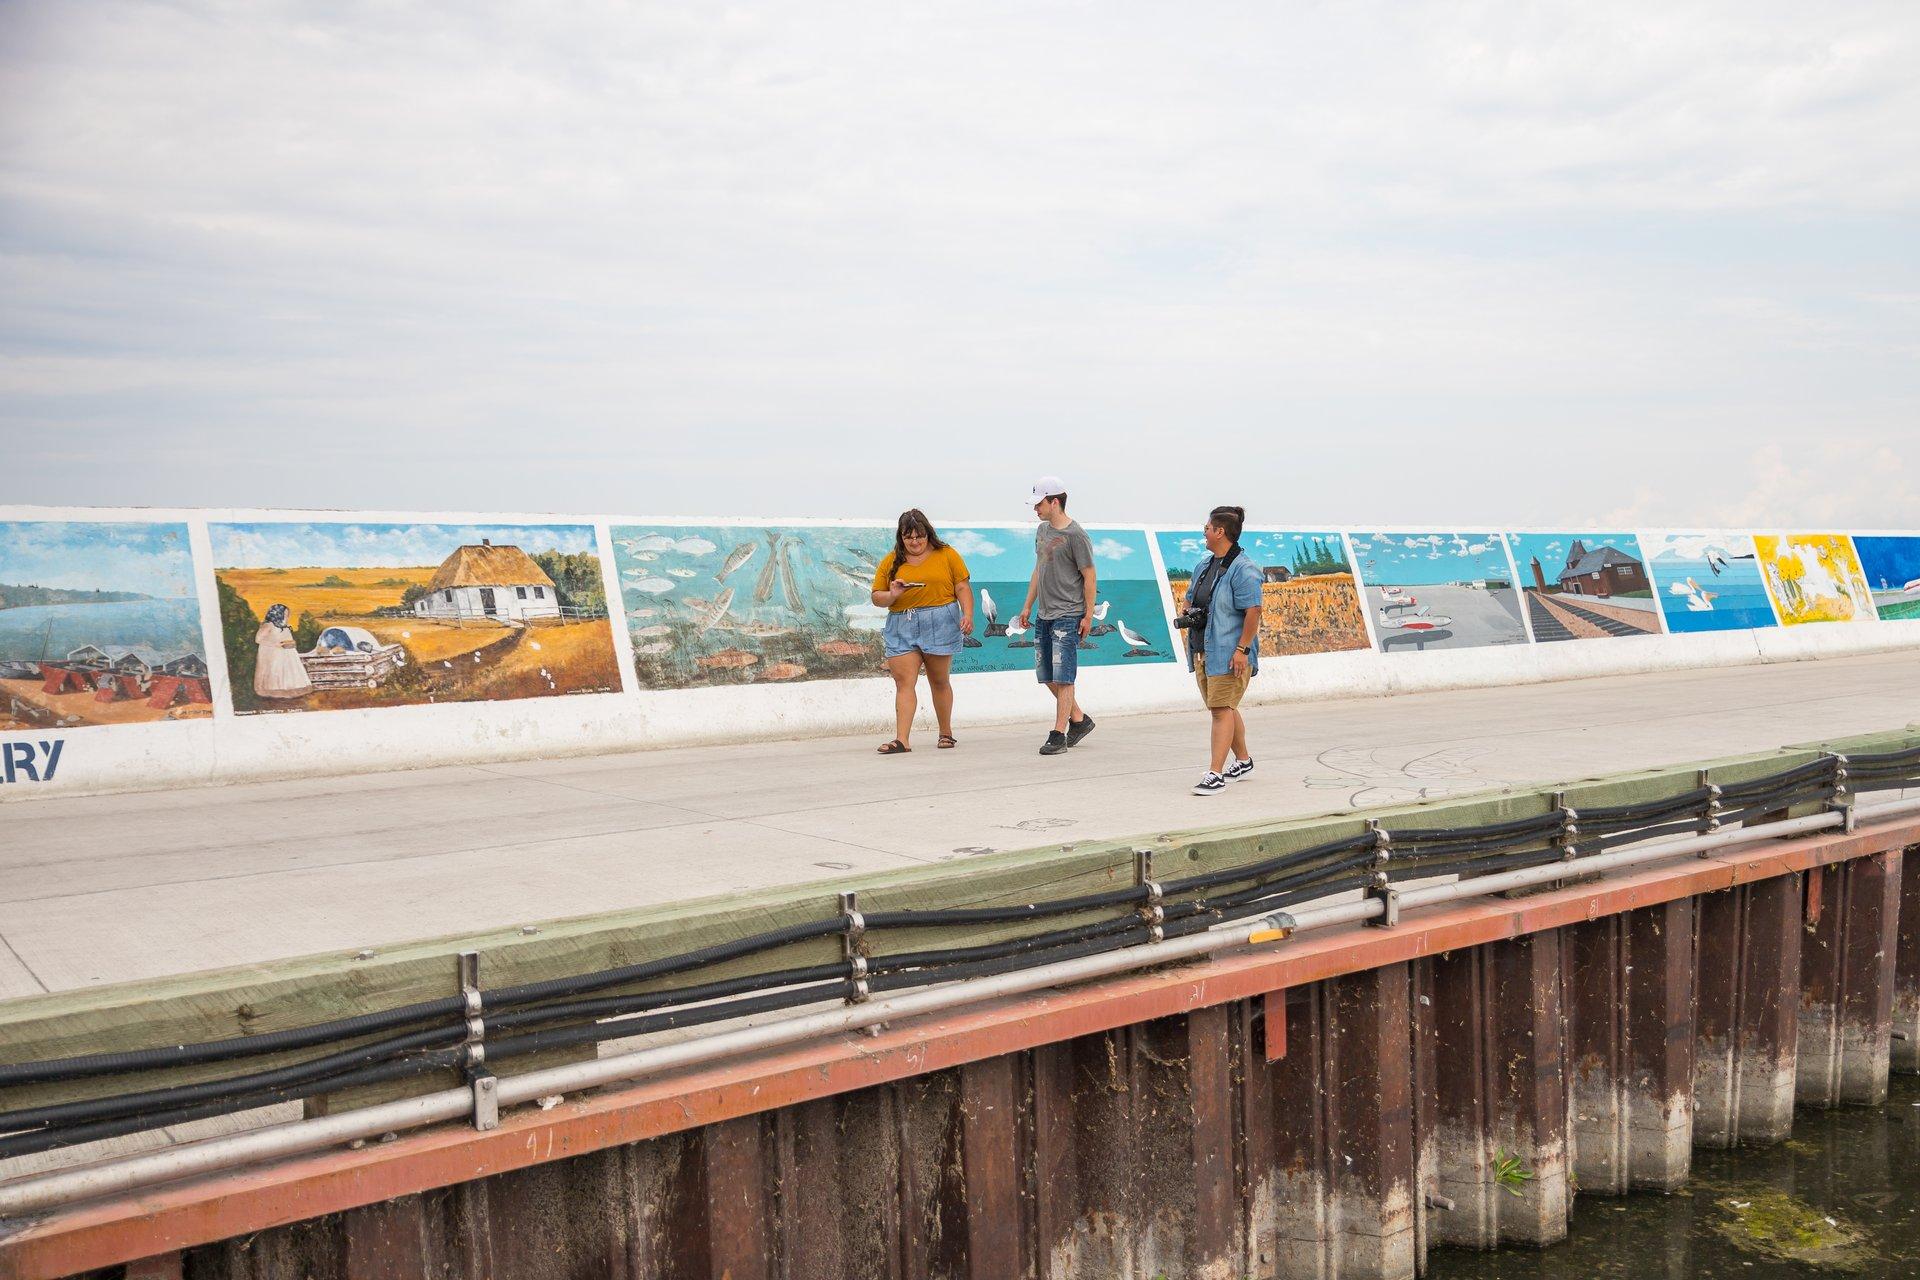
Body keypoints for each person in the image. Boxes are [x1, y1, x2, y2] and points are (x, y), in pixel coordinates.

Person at [870, 509, 974, 754]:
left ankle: (945, 733)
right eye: (909, 537)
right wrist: (893, 594)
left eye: (920, 536)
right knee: (904, 682)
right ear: (901, 537)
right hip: (901, 623)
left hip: (941, 621)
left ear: (928, 534)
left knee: (939, 680)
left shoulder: (947, 555)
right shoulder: (891, 560)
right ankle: (902, 740)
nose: (915, 542)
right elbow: (877, 597)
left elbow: (962, 586)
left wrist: (967, 614)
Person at [1013, 476, 1096, 755]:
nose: (1035, 509)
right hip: (1044, 614)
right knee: (1047, 674)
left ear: (1055, 502)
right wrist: (1027, 605)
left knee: (1064, 676)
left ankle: (1058, 733)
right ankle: (1079, 720)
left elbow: (1089, 576)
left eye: (1039, 504)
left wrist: (1087, 616)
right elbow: (1039, 568)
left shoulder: (1077, 535)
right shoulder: (1042, 531)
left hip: (1068, 614)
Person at [1182, 506, 1262, 795]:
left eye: (1207, 527)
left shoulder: (1244, 569)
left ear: (1220, 532)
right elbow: (1192, 597)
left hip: (1231, 653)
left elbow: (1253, 611)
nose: (1204, 531)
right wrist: (1187, 609)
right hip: (1205, 649)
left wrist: (1242, 650)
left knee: (1220, 710)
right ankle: (1243, 761)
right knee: (1224, 708)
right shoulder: (1205, 565)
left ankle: (1215, 774)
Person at [253, 603, 314, 700]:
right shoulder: (268, 625)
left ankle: (288, 690)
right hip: (273, 653)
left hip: (286, 653)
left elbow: (287, 638)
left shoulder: (285, 626)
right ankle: (274, 692)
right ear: (277, 614)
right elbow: (258, 639)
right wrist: (275, 644)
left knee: (288, 672)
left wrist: (292, 643)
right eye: (285, 614)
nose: (287, 616)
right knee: (275, 671)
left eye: (287, 614)